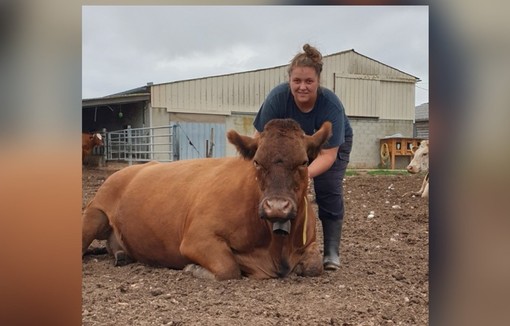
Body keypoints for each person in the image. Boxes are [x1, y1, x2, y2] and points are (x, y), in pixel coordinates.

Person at [253, 43, 353, 270]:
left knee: (328, 186)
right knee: (278, 185)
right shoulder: (278, 98)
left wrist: (301, 175)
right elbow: (260, 137)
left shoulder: (331, 106)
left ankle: (331, 252)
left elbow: (327, 155)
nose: (302, 87)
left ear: (318, 81)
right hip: (288, 149)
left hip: (329, 145)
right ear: (289, 81)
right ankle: (281, 235)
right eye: (297, 81)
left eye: (309, 81)